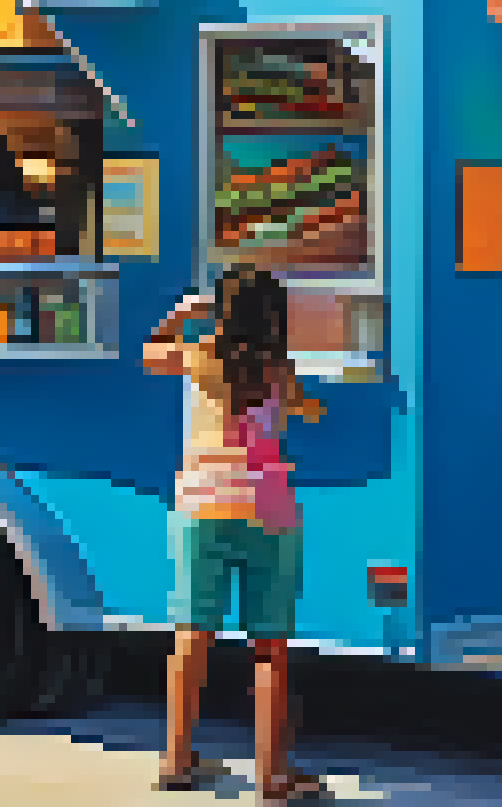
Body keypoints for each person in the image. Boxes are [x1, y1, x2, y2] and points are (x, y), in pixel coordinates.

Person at [144, 267, 324, 797]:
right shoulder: (278, 368)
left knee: (191, 636)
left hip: (202, 508)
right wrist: (312, 407)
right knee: (269, 647)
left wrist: (181, 314)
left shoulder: (198, 356)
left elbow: (152, 352)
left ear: (222, 309)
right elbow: (299, 409)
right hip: (266, 511)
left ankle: (177, 759)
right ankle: (272, 774)